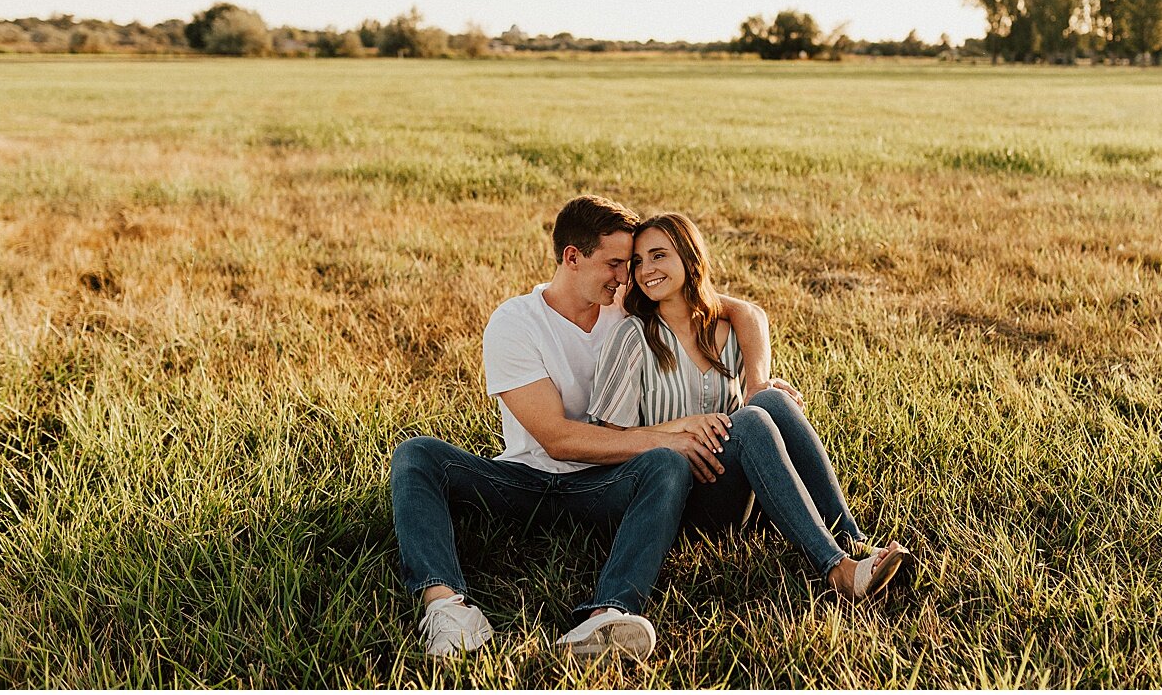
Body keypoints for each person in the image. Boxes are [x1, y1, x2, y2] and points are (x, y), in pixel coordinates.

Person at [389, 195, 771, 660]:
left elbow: (741, 311)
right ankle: (448, 609)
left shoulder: (630, 307)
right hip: (526, 480)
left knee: (665, 467)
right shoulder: (515, 322)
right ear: (572, 257)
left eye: (628, 265)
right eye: (614, 263)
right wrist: (671, 433)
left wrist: (757, 384)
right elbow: (557, 438)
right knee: (418, 455)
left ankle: (608, 613)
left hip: (605, 485)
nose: (625, 276)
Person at [589, 212, 912, 603]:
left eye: (659, 256)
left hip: (735, 494)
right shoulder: (633, 336)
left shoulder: (728, 333)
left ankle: (854, 541)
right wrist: (682, 428)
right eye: (638, 261)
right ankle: (836, 568)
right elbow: (606, 439)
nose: (645, 270)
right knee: (752, 420)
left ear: (690, 259)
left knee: (769, 398)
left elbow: (750, 313)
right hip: (676, 501)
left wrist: (758, 383)